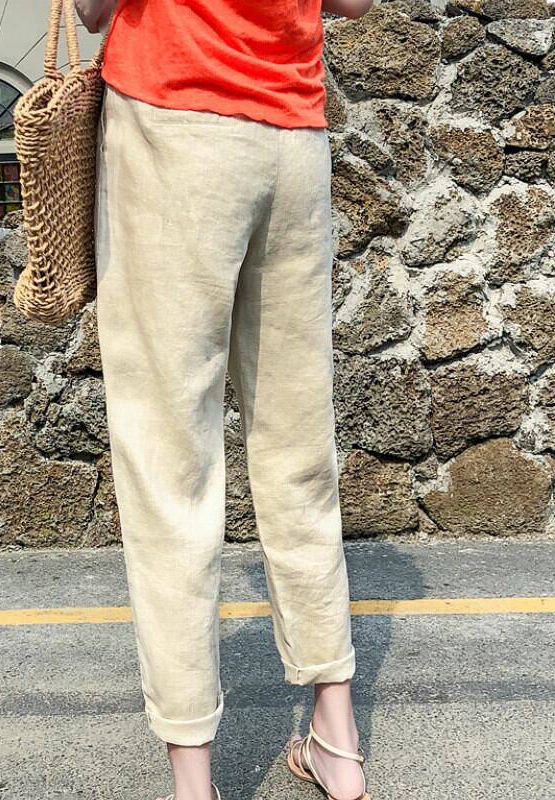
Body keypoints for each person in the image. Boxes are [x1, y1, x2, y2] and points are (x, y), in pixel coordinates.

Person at [73, 1, 375, 798]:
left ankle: (194, 784)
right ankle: (338, 741)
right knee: (297, 445)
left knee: (170, 460)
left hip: (173, 117)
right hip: (292, 137)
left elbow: (94, 9)